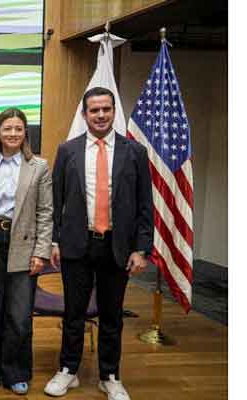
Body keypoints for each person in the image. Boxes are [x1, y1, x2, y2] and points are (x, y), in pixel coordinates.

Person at [43, 87, 152, 400]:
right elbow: (56, 200)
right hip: (77, 245)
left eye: (106, 109)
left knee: (111, 315)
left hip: (117, 247)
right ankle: (68, 370)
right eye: (94, 110)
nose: (101, 115)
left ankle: (110, 376)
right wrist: (54, 240)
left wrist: (141, 248)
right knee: (74, 313)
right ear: (84, 114)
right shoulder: (68, 151)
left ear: (114, 111)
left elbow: (145, 204)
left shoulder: (135, 152)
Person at [0, 107, 52, 395]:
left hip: (24, 245)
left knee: (19, 314)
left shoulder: (39, 167)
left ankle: (15, 371)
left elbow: (45, 212)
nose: (13, 133)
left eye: (18, 128)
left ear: (25, 132)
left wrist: (41, 252)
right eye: (7, 128)